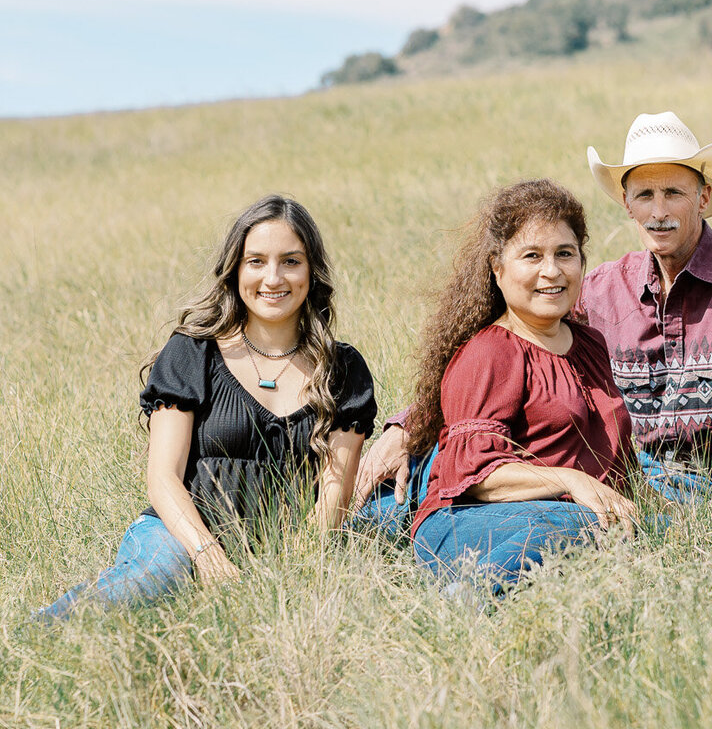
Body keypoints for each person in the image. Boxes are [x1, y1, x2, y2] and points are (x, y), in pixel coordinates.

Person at [38, 195, 377, 619]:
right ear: (235, 269)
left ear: (312, 271)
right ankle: (34, 636)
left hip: (286, 549)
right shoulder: (192, 352)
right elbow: (162, 479)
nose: (273, 278)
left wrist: (290, 570)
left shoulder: (343, 370)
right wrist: (210, 559)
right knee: (157, 577)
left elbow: (335, 494)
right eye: (256, 261)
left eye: (290, 261)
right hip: (180, 536)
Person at [407, 179, 638, 595]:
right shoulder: (490, 352)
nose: (551, 271)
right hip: (464, 524)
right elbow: (474, 475)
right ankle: (468, 599)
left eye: (564, 254)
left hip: (560, 516)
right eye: (532, 256)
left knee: (629, 527)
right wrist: (570, 481)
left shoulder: (590, 344)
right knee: (580, 525)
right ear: (497, 268)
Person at [577, 110, 712, 513]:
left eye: (674, 193)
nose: (658, 212)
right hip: (627, 483)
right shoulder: (599, 290)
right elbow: (525, 348)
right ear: (627, 204)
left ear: (703, 198)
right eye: (644, 196)